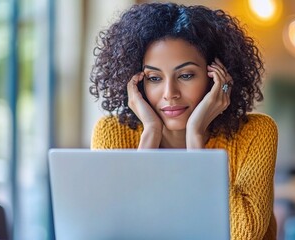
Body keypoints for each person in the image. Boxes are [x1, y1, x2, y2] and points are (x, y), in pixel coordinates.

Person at [89, 2, 278, 239]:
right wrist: (149, 136)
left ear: (216, 79)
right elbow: (117, 232)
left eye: (186, 75)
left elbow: (244, 234)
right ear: (136, 82)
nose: (170, 92)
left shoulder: (255, 133)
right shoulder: (112, 133)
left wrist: (195, 138)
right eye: (154, 78)